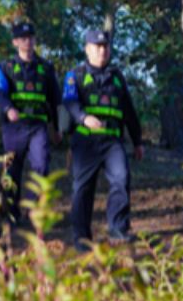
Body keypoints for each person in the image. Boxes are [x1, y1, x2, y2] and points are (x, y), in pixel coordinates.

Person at [62, 29, 144, 249]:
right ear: (87, 49)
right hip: (85, 142)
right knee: (82, 189)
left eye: (105, 46)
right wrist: (83, 117)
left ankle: (118, 230)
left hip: (112, 143)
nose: (102, 50)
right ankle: (81, 238)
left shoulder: (117, 77)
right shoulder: (75, 75)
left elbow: (128, 110)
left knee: (121, 178)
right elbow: (69, 103)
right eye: (97, 47)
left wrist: (137, 141)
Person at [0, 21, 61, 224]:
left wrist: (59, 128)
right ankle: (12, 215)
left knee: (41, 165)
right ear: (15, 42)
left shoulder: (46, 68)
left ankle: (33, 210)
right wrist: (8, 109)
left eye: (31, 37)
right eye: (23, 38)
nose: (28, 42)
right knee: (12, 171)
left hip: (38, 127)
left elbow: (56, 100)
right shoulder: (5, 67)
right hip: (13, 128)